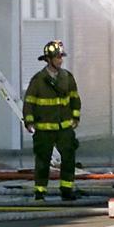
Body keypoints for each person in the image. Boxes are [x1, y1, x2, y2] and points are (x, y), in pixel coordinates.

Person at [23, 40, 81, 201]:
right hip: (44, 128)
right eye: (57, 57)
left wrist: (75, 117)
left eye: (61, 57)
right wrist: (29, 122)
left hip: (64, 128)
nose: (60, 60)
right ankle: (40, 192)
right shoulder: (38, 80)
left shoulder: (67, 78)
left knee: (69, 158)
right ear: (48, 59)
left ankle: (67, 190)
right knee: (43, 161)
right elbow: (29, 102)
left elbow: (75, 99)